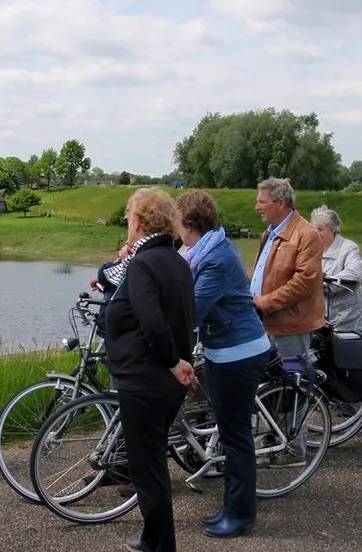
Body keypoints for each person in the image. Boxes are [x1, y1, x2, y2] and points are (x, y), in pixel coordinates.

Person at [103, 187, 196, 552]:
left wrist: (172, 362)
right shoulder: (176, 260)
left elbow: (152, 321)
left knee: (147, 469)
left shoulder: (143, 264)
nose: (126, 220)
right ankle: (152, 538)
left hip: (146, 379)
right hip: (165, 380)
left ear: (139, 220)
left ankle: (161, 545)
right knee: (152, 462)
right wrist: (178, 362)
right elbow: (186, 316)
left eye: (128, 214)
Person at [176, 190, 271, 538]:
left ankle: (240, 513)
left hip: (238, 352)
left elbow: (193, 310)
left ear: (190, 224)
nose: (177, 232)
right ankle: (232, 506)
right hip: (224, 350)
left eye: (178, 224)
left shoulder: (213, 258)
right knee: (231, 433)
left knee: (236, 436)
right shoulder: (205, 249)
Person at [250, 177, 323, 467]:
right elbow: (263, 273)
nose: (257, 206)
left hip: (290, 325)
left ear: (280, 202)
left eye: (262, 201)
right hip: (265, 323)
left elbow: (304, 282)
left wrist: (265, 302)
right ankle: (273, 437)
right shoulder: (270, 232)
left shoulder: (305, 235)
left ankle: (295, 450)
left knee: (293, 386)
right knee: (269, 384)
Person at [310, 205, 362, 332]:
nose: (316, 233)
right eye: (313, 229)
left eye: (320, 229)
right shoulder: (310, 249)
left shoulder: (348, 248)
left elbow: (354, 273)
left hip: (349, 319)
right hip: (319, 319)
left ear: (332, 230)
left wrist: (327, 283)